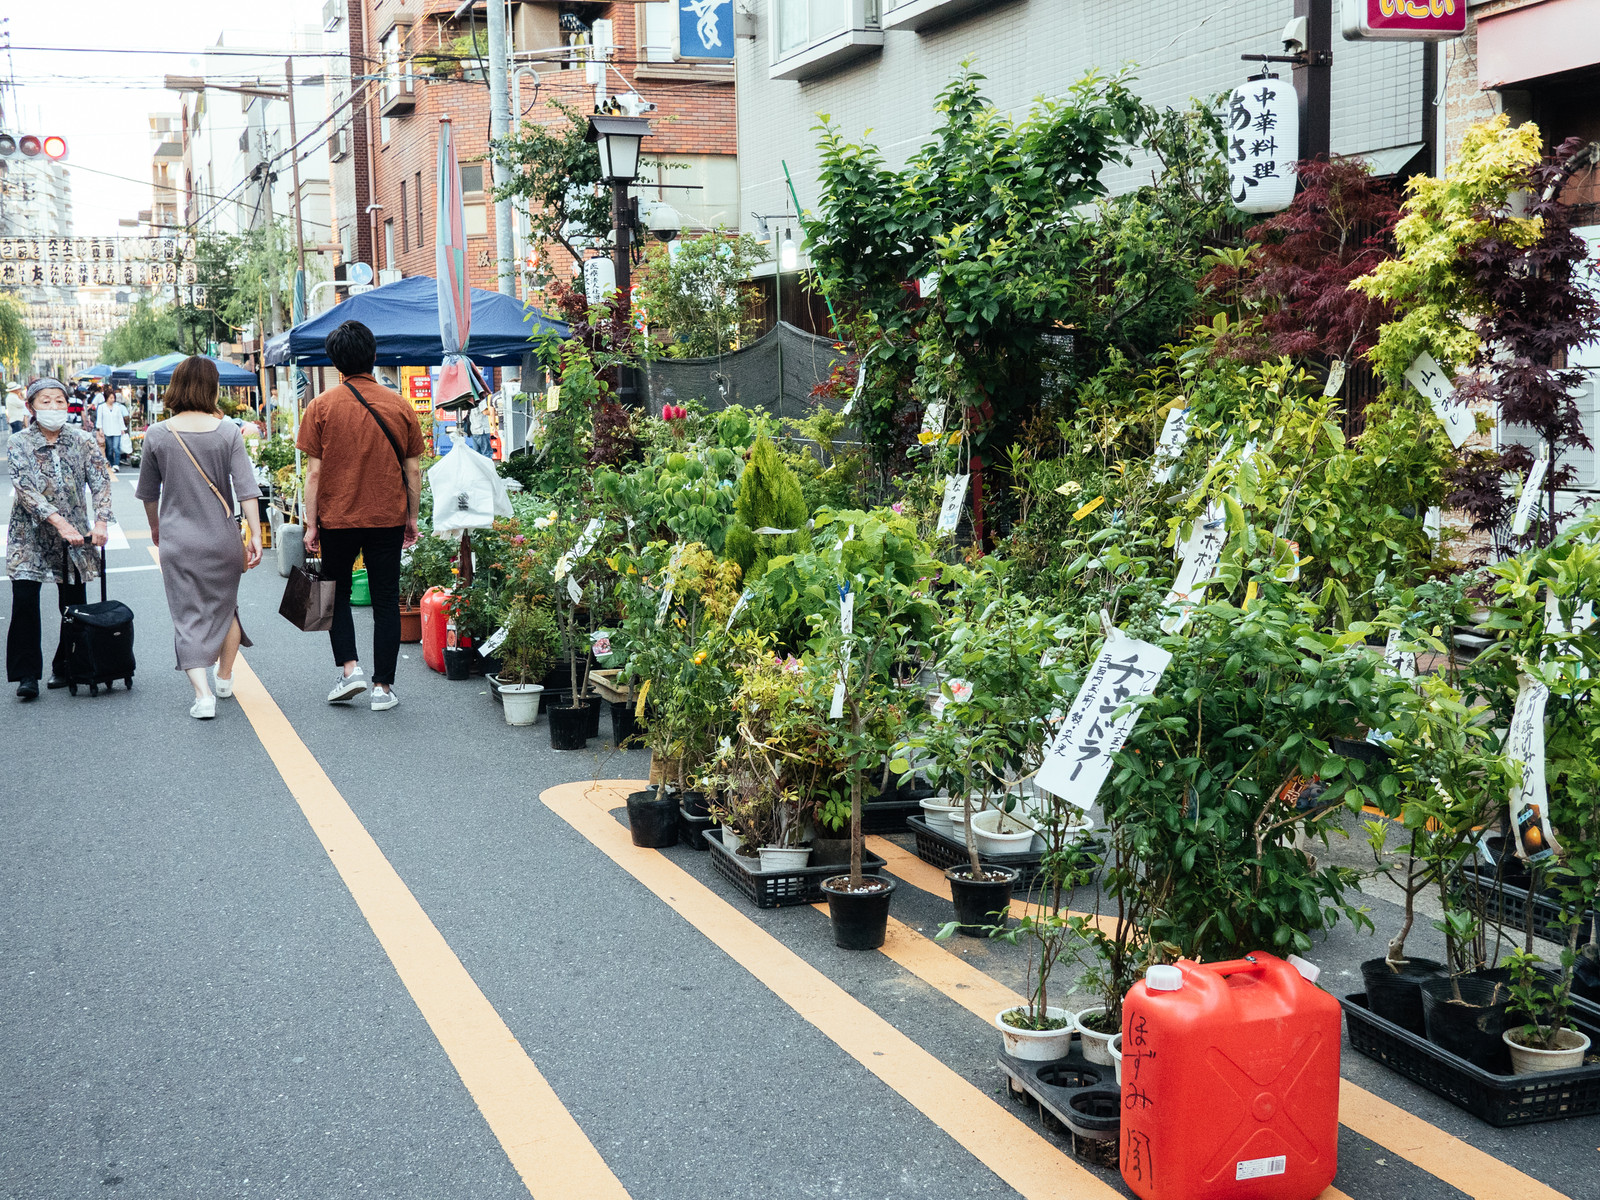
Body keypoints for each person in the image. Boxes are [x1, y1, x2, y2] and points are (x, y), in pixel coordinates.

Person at [298, 320, 423, 711]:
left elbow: (314, 472)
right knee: (386, 600)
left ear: (336, 363)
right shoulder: (399, 405)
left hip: (337, 518)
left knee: (335, 596)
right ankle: (383, 689)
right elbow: (413, 470)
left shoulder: (321, 406)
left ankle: (350, 671)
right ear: (373, 356)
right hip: (387, 516)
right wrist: (412, 517)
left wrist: (311, 522)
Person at [135, 357, 264, 720]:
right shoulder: (228, 432)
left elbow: (148, 494)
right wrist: (254, 533)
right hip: (222, 538)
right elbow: (247, 490)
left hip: (178, 540)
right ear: (212, 388)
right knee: (227, 609)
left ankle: (203, 695)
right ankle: (224, 677)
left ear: (174, 387)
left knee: (187, 616)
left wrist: (156, 529)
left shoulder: (158, 435)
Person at [6, 378, 113, 700]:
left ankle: (66, 664)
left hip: (75, 536)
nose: (53, 408)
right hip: (30, 535)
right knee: (25, 600)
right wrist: (58, 522)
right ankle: (26, 675)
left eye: (59, 402)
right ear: (31, 407)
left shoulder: (82, 440)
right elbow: (25, 488)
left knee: (73, 603)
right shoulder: (18, 443)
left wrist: (102, 521)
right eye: (45, 402)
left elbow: (101, 481)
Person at [96, 387, 131, 473]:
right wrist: (100, 429)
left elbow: (120, 418)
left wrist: (123, 428)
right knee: (110, 449)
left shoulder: (117, 407)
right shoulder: (102, 407)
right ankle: (110, 464)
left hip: (117, 430)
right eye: (111, 398)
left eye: (113, 398)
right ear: (106, 398)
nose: (112, 400)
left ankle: (116, 465)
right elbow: (99, 419)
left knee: (116, 447)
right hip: (107, 430)